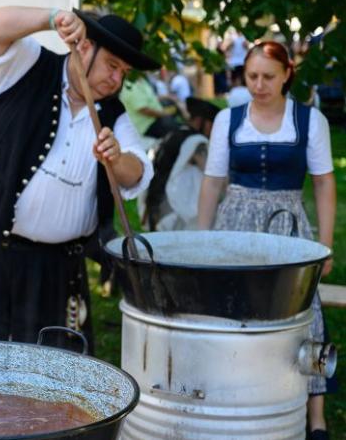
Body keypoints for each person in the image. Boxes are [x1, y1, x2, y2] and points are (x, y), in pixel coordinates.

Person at [0, 6, 156, 352]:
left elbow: (139, 172)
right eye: (112, 66)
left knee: (49, 380)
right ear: (85, 47)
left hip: (57, 270)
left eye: (124, 72)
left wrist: (116, 159)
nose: (117, 80)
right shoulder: (26, 66)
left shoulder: (112, 114)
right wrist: (51, 18)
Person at [197, 40, 336, 440]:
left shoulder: (310, 121)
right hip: (236, 220)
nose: (258, 85)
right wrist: (201, 239)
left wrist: (325, 244)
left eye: (268, 77)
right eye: (252, 76)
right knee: (230, 307)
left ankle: (315, 417)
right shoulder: (229, 119)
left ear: (287, 74)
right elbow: (212, 181)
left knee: (302, 311)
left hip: (287, 225)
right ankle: (231, 392)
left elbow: (325, 184)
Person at [143, 97, 219, 231]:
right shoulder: (197, 141)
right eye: (212, 124)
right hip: (173, 210)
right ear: (201, 121)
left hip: (155, 203)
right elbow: (211, 173)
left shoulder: (173, 133)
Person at [120, 73, 179, 139]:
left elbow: (150, 98)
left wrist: (166, 96)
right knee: (175, 130)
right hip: (149, 125)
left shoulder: (141, 79)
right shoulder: (129, 86)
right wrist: (165, 113)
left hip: (157, 118)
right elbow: (144, 110)